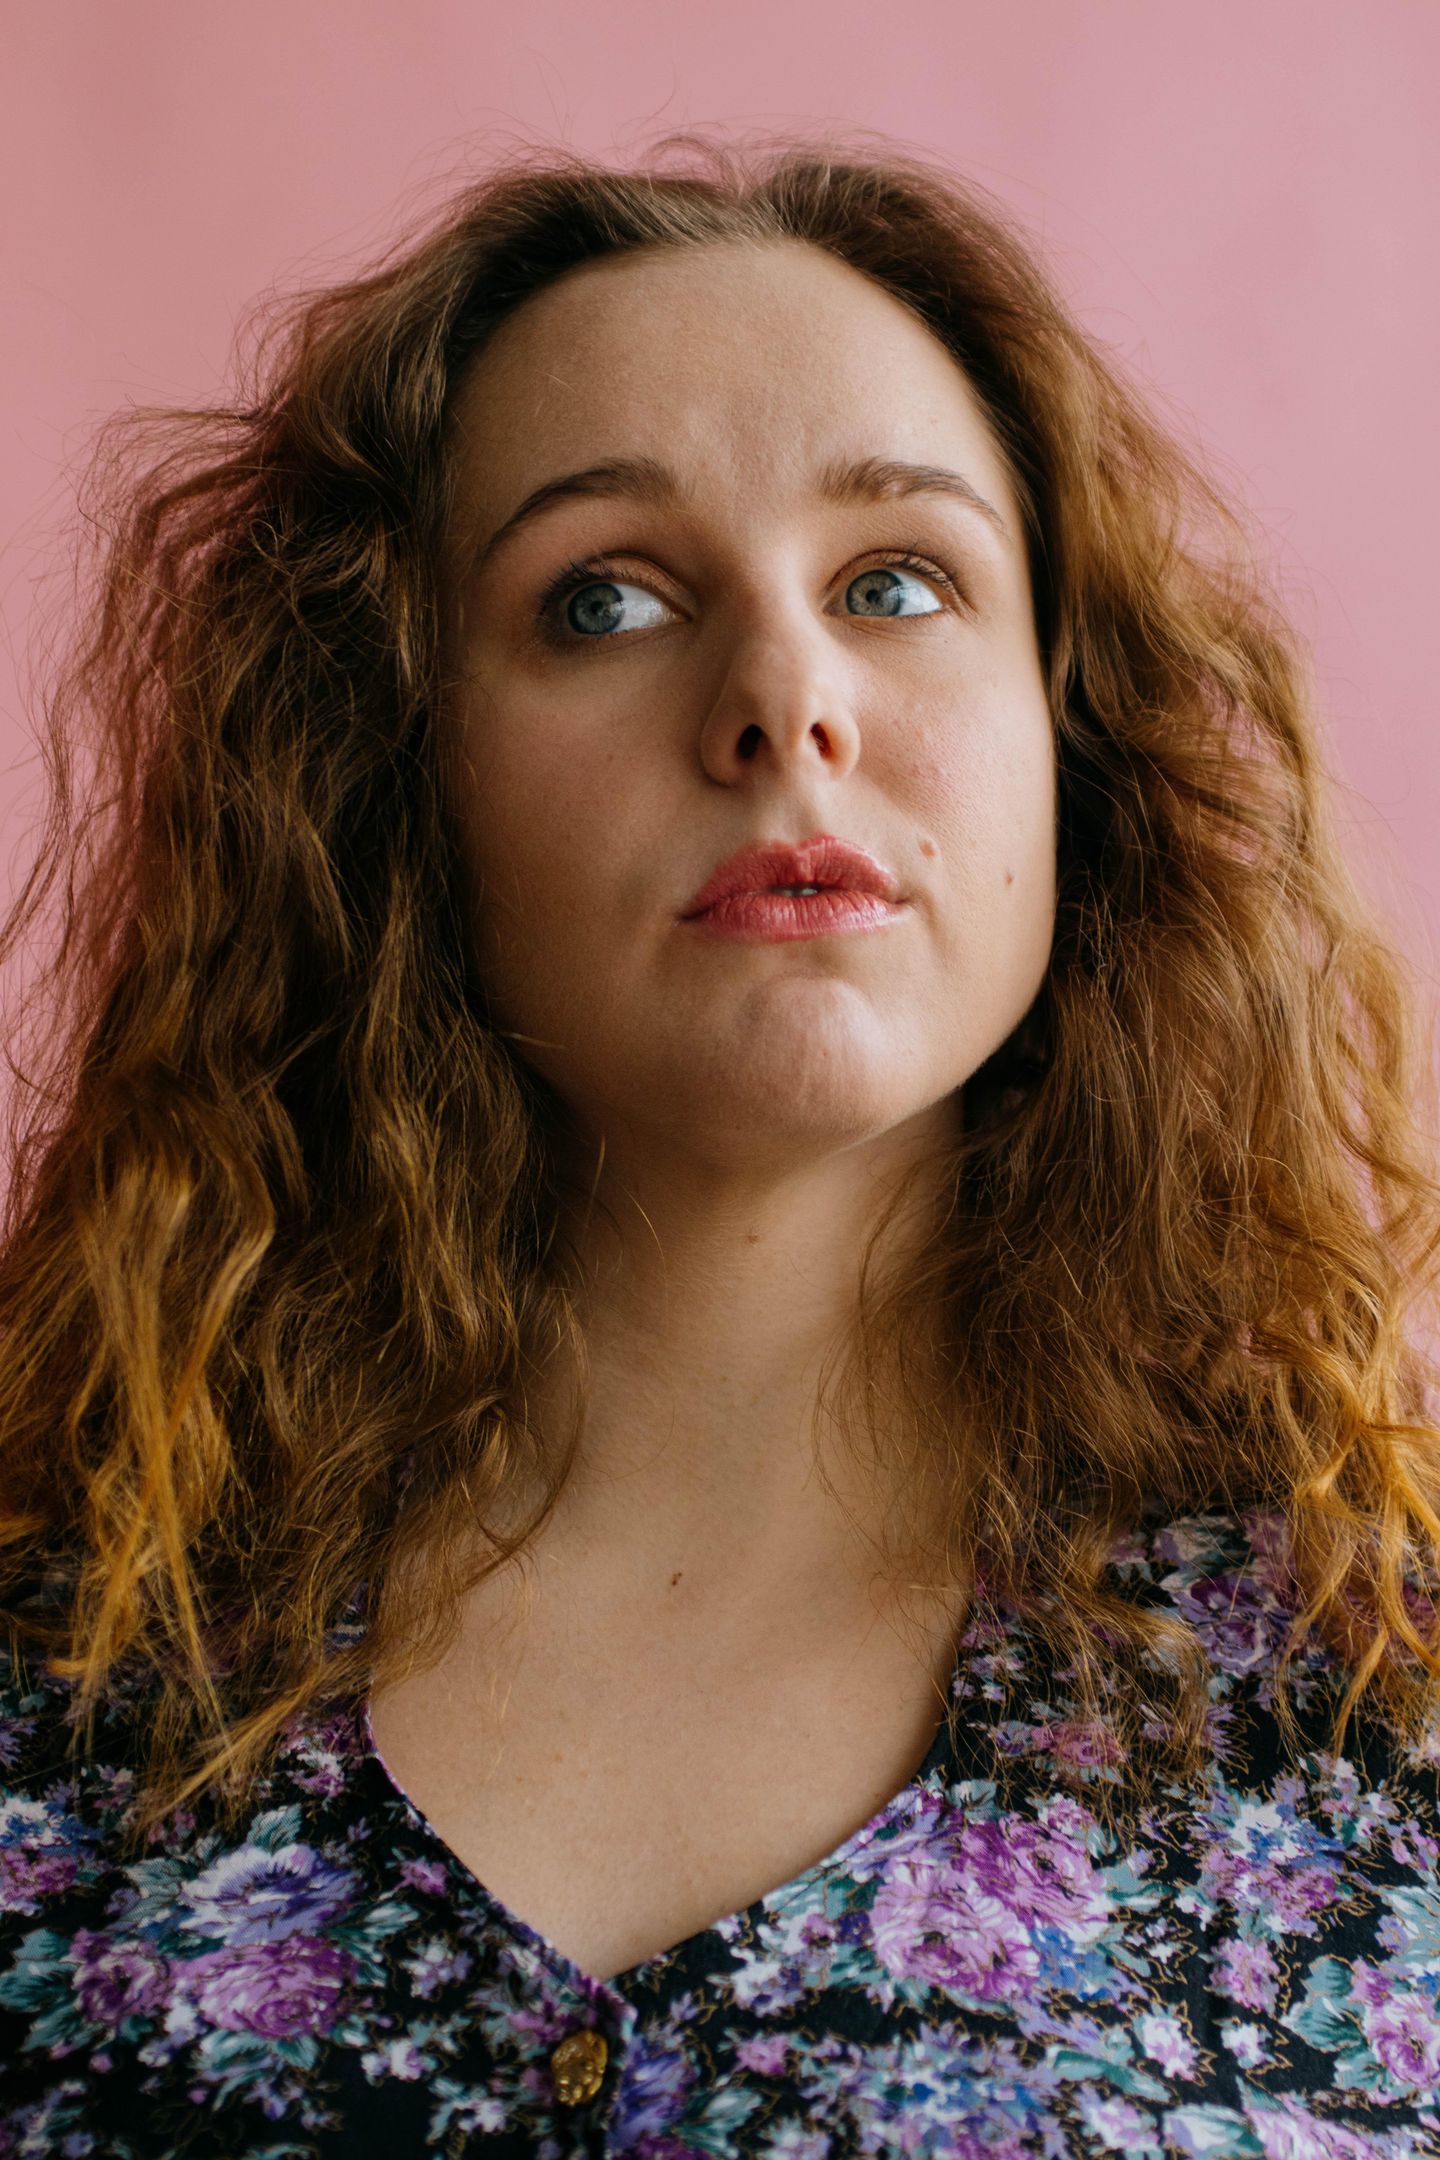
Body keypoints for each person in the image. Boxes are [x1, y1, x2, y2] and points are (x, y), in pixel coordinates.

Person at [1, 127, 1438, 2159]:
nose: (784, 696)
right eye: (602, 598)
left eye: (898, 582)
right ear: (391, 769)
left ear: (1072, 739)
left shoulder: (1384, 1685)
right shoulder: (62, 1678)